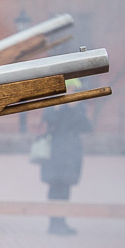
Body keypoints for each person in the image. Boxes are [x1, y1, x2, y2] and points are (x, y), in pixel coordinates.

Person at [40, 80, 91, 235]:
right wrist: (57, 108)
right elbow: (47, 119)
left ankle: (62, 222)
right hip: (55, 153)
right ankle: (54, 223)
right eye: (69, 88)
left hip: (71, 154)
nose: (71, 91)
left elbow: (87, 127)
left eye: (74, 89)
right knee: (55, 187)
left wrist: (74, 108)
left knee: (66, 188)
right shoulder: (54, 104)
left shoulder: (79, 107)